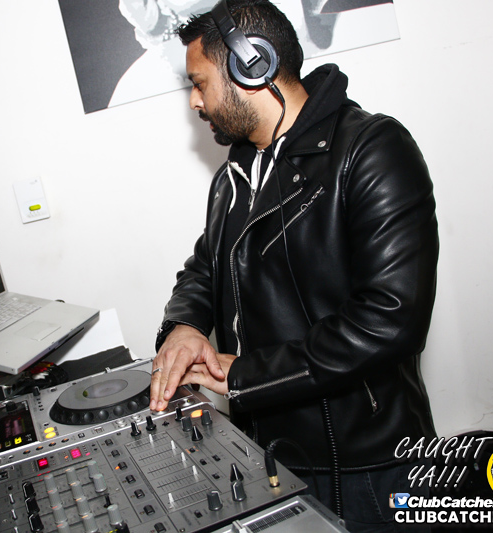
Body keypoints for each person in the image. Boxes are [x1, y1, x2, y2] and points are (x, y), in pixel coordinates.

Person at [149, 0, 438, 531]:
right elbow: (205, 266)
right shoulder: (233, 177)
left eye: (200, 83)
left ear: (251, 65)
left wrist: (244, 375)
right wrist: (185, 325)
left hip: (370, 465)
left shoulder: (372, 150)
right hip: (270, 453)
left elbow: (391, 319)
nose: (195, 101)